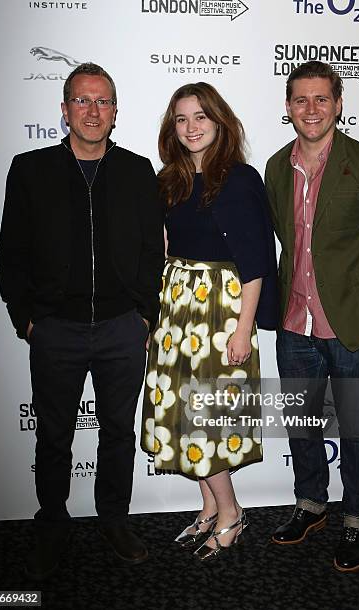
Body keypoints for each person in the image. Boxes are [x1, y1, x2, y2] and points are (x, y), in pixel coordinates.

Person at [0, 63, 164, 578]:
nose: (94, 111)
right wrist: (28, 320)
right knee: (54, 434)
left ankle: (113, 519)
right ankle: (52, 523)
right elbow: (11, 255)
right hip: (55, 329)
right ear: (65, 110)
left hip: (120, 328)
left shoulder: (137, 171)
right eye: (83, 101)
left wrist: (143, 316)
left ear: (115, 112)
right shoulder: (29, 170)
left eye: (104, 102)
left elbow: (151, 252)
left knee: (117, 433)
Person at [265, 61, 359, 572]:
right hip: (295, 323)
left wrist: (358, 289)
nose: (311, 109)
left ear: (338, 104)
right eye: (301, 100)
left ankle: (358, 519)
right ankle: (310, 504)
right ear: (288, 107)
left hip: (353, 325)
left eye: (321, 99)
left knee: (354, 425)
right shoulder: (273, 167)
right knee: (302, 423)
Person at [141, 82, 278, 560]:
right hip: (177, 310)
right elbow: (162, 249)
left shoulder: (239, 179)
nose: (191, 127)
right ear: (172, 128)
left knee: (206, 421)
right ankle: (207, 508)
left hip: (221, 313)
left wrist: (243, 328)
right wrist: (156, 318)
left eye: (200, 117)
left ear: (219, 122)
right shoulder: (169, 180)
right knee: (182, 417)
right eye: (181, 119)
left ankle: (232, 512)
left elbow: (257, 261)